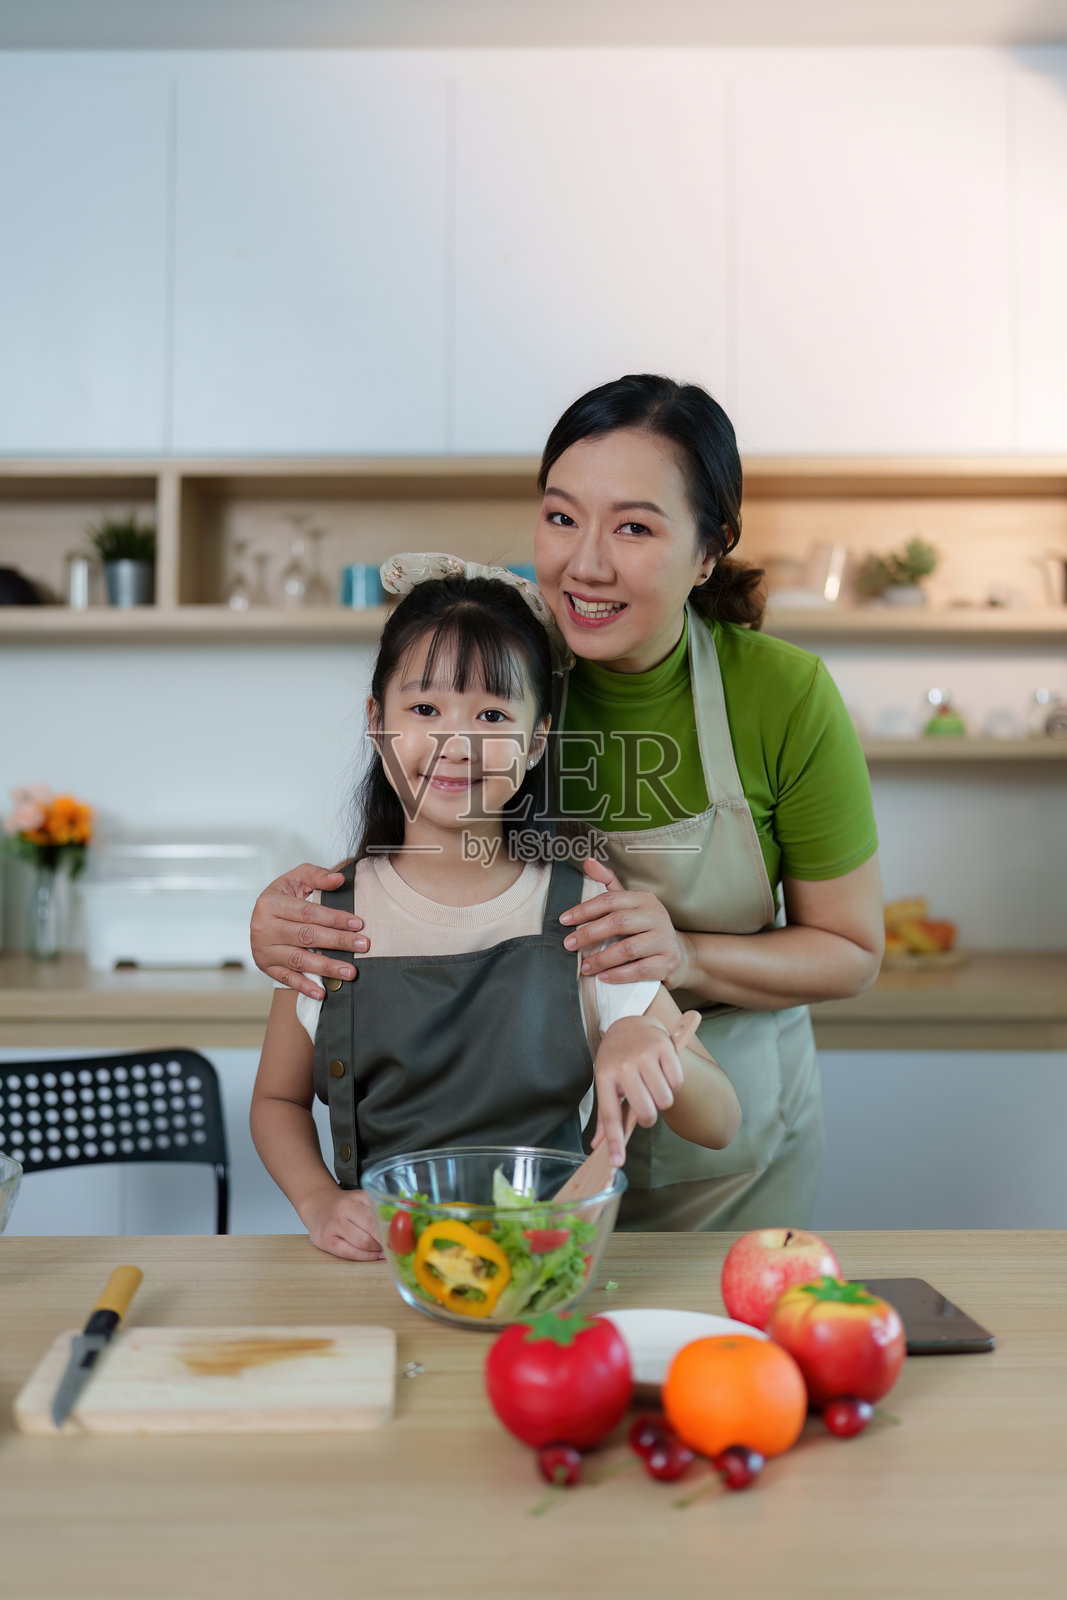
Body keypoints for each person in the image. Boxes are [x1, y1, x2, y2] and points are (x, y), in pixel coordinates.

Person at [250, 374, 883, 1233]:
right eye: (560, 517)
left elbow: (848, 950)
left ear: (708, 550)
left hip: (715, 1142)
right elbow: (423, 851)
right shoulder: (506, 663)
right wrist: (285, 922)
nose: (584, 563)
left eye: (633, 526)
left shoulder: (782, 694)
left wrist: (672, 962)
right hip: (531, 1175)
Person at [250, 567, 741, 1260]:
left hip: (543, 1278)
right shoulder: (324, 921)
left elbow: (721, 1121)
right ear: (375, 721)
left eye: (491, 715)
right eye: (424, 710)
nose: (456, 743)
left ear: (537, 740)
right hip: (383, 1275)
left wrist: (645, 1040)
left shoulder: (583, 914)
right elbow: (276, 1102)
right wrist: (318, 1199)